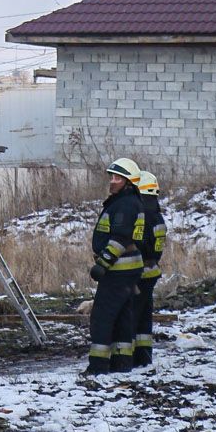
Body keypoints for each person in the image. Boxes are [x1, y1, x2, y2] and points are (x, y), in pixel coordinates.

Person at [86, 158, 145, 374]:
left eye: (117, 178)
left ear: (128, 182)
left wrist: (103, 264)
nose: (112, 181)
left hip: (118, 270)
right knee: (122, 318)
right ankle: (122, 363)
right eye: (111, 177)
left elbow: (120, 238)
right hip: (128, 271)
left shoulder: (124, 204)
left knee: (102, 318)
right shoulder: (128, 201)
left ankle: (98, 366)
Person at [132, 170, 166, 368]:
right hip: (151, 272)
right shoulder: (157, 216)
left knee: (132, 316)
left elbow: (138, 243)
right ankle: (144, 358)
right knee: (144, 318)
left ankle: (127, 359)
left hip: (137, 272)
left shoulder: (141, 215)